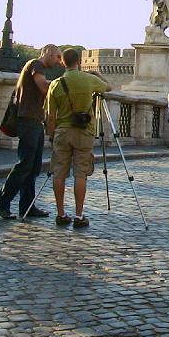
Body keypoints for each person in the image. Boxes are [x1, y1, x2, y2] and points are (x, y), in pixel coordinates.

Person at [0, 44, 62, 220]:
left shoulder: (37, 67)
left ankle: (27, 206)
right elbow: (43, 87)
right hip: (28, 120)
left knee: (33, 167)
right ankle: (1, 202)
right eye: (57, 57)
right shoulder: (35, 65)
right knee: (25, 164)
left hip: (35, 120)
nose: (59, 62)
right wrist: (61, 85)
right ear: (48, 53)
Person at [45, 49, 111, 228]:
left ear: (63, 63)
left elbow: (51, 116)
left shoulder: (55, 84)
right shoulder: (88, 80)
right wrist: (97, 74)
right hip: (84, 132)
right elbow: (109, 87)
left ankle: (60, 214)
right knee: (80, 173)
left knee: (59, 172)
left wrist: (51, 137)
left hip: (62, 131)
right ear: (79, 62)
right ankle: (79, 215)